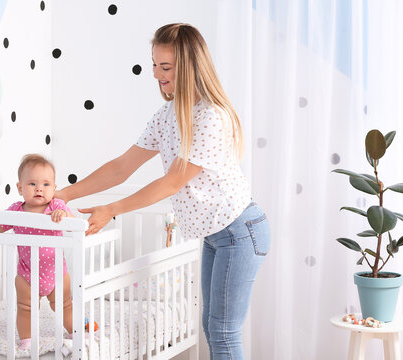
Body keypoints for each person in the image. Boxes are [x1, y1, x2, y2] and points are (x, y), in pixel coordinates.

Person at [55, 23, 270, 359]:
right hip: (217, 235)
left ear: (189, 67)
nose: (156, 74)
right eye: (154, 64)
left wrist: (111, 209)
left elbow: (172, 181)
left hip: (239, 231)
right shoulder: (167, 115)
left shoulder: (212, 118)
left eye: (165, 67)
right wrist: (67, 193)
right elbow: (122, 166)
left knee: (224, 332)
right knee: (213, 326)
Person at [0, 154, 73, 351]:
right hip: (27, 274)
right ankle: (26, 339)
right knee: (25, 308)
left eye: (46, 184)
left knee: (64, 305)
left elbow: (72, 222)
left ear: (54, 188)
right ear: (20, 188)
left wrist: (64, 216)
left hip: (56, 272)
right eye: (32, 183)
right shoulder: (16, 211)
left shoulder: (55, 207)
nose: (39, 188)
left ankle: (75, 331)